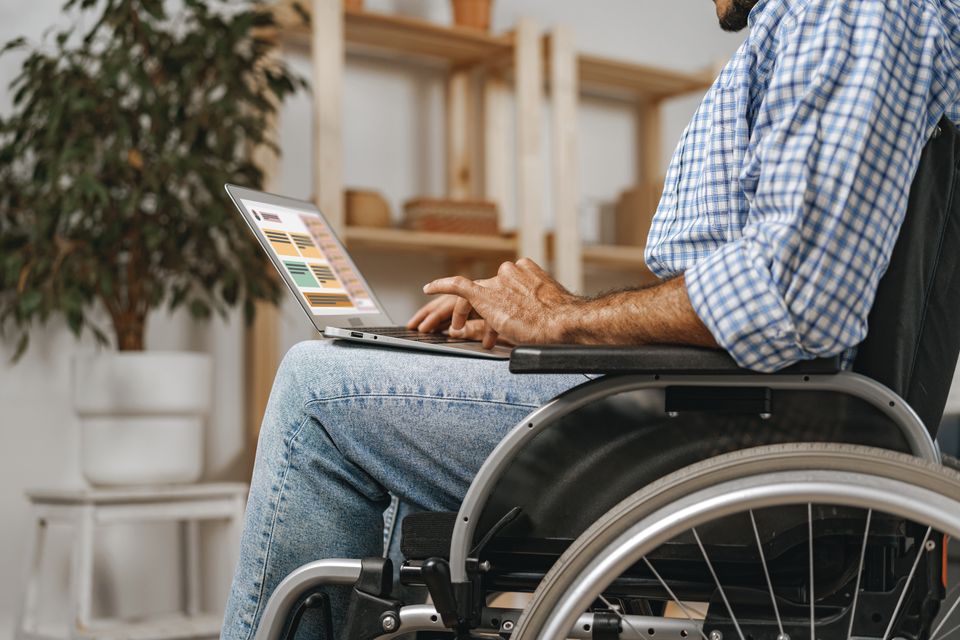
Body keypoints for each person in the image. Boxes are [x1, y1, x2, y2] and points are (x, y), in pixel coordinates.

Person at [221, 0, 960, 638]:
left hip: (734, 437)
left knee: (318, 389)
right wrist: (543, 321)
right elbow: (771, 280)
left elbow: (788, 300)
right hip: (726, 413)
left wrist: (564, 323)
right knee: (378, 396)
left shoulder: (844, 11)